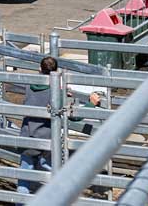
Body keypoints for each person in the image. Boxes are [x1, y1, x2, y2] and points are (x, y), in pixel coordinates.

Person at [17, 56, 101, 198]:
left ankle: (21, 202)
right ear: (57, 72)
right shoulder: (56, 93)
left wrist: (61, 93)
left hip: (27, 135)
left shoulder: (29, 86)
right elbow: (74, 115)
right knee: (52, 170)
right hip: (47, 139)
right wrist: (91, 103)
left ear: (39, 69)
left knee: (25, 175)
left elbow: (40, 96)